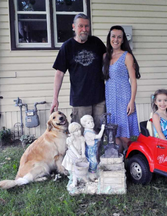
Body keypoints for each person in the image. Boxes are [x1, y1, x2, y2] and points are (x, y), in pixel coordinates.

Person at [51, 13, 106, 132]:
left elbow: (109, 61)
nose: (84, 29)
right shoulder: (67, 47)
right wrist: (55, 98)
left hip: (99, 98)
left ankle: (96, 151)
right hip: (80, 99)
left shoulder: (97, 43)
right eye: (81, 26)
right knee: (80, 132)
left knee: (99, 130)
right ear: (74, 27)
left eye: (86, 26)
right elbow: (59, 73)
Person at [102, 25, 140, 153]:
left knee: (125, 137)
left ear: (123, 40)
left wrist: (131, 101)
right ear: (109, 38)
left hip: (124, 99)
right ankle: (120, 163)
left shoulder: (127, 56)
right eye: (113, 36)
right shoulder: (105, 56)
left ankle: (132, 161)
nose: (116, 39)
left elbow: (133, 80)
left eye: (119, 37)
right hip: (111, 100)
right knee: (114, 136)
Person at [62, 122, 88, 187]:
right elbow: (72, 148)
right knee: (74, 170)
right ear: (72, 132)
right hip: (72, 156)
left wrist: (83, 154)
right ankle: (74, 182)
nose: (79, 132)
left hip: (79, 155)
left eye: (79, 130)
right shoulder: (70, 139)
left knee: (81, 167)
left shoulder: (81, 138)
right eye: (76, 131)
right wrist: (78, 155)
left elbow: (83, 146)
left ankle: (82, 178)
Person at [80, 115, 105, 181]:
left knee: (95, 161)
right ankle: (91, 174)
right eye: (88, 123)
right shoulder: (88, 133)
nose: (91, 123)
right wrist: (102, 129)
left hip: (93, 149)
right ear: (84, 125)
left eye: (92, 121)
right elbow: (99, 136)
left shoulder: (90, 130)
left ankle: (93, 172)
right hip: (90, 150)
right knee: (93, 162)